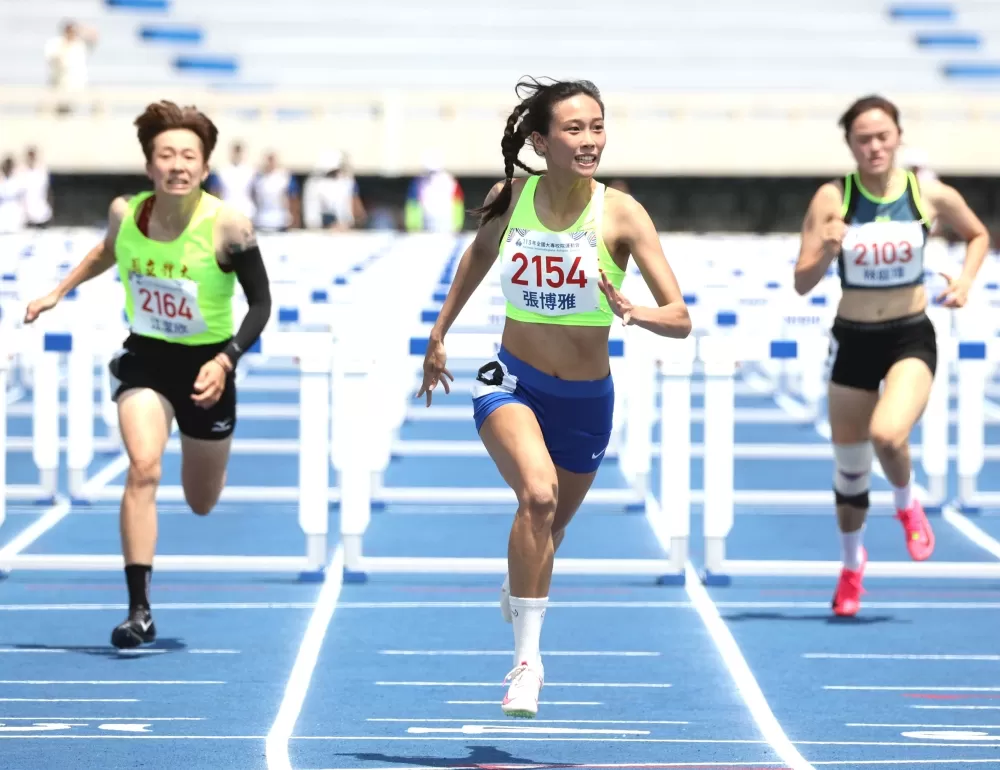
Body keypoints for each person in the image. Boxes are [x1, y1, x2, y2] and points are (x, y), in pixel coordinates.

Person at [416, 77, 691, 718]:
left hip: (587, 398)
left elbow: (680, 317)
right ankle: (528, 663)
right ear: (540, 141)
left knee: (552, 526)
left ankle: (520, 585)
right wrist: (439, 335)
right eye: (574, 129)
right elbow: (477, 255)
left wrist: (634, 312)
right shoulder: (510, 197)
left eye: (597, 126)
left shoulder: (622, 212)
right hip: (508, 379)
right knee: (536, 495)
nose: (589, 139)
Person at [24, 100, 273, 648]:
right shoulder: (126, 212)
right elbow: (107, 252)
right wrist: (56, 294)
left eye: (188, 155)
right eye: (166, 155)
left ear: (205, 167)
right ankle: (139, 610)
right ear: (149, 164)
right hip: (147, 358)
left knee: (201, 500)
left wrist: (226, 358)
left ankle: (206, 449)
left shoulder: (229, 224)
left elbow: (261, 305)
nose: (177, 165)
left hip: (208, 367)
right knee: (142, 467)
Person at [794, 94, 988, 617]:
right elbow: (801, 282)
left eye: (883, 136)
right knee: (850, 473)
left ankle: (907, 505)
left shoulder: (928, 192)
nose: (874, 146)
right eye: (863, 139)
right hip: (852, 338)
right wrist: (827, 248)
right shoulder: (832, 197)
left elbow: (977, 234)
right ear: (851, 145)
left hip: (909, 335)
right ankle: (852, 566)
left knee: (888, 434)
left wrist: (966, 281)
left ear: (898, 136)